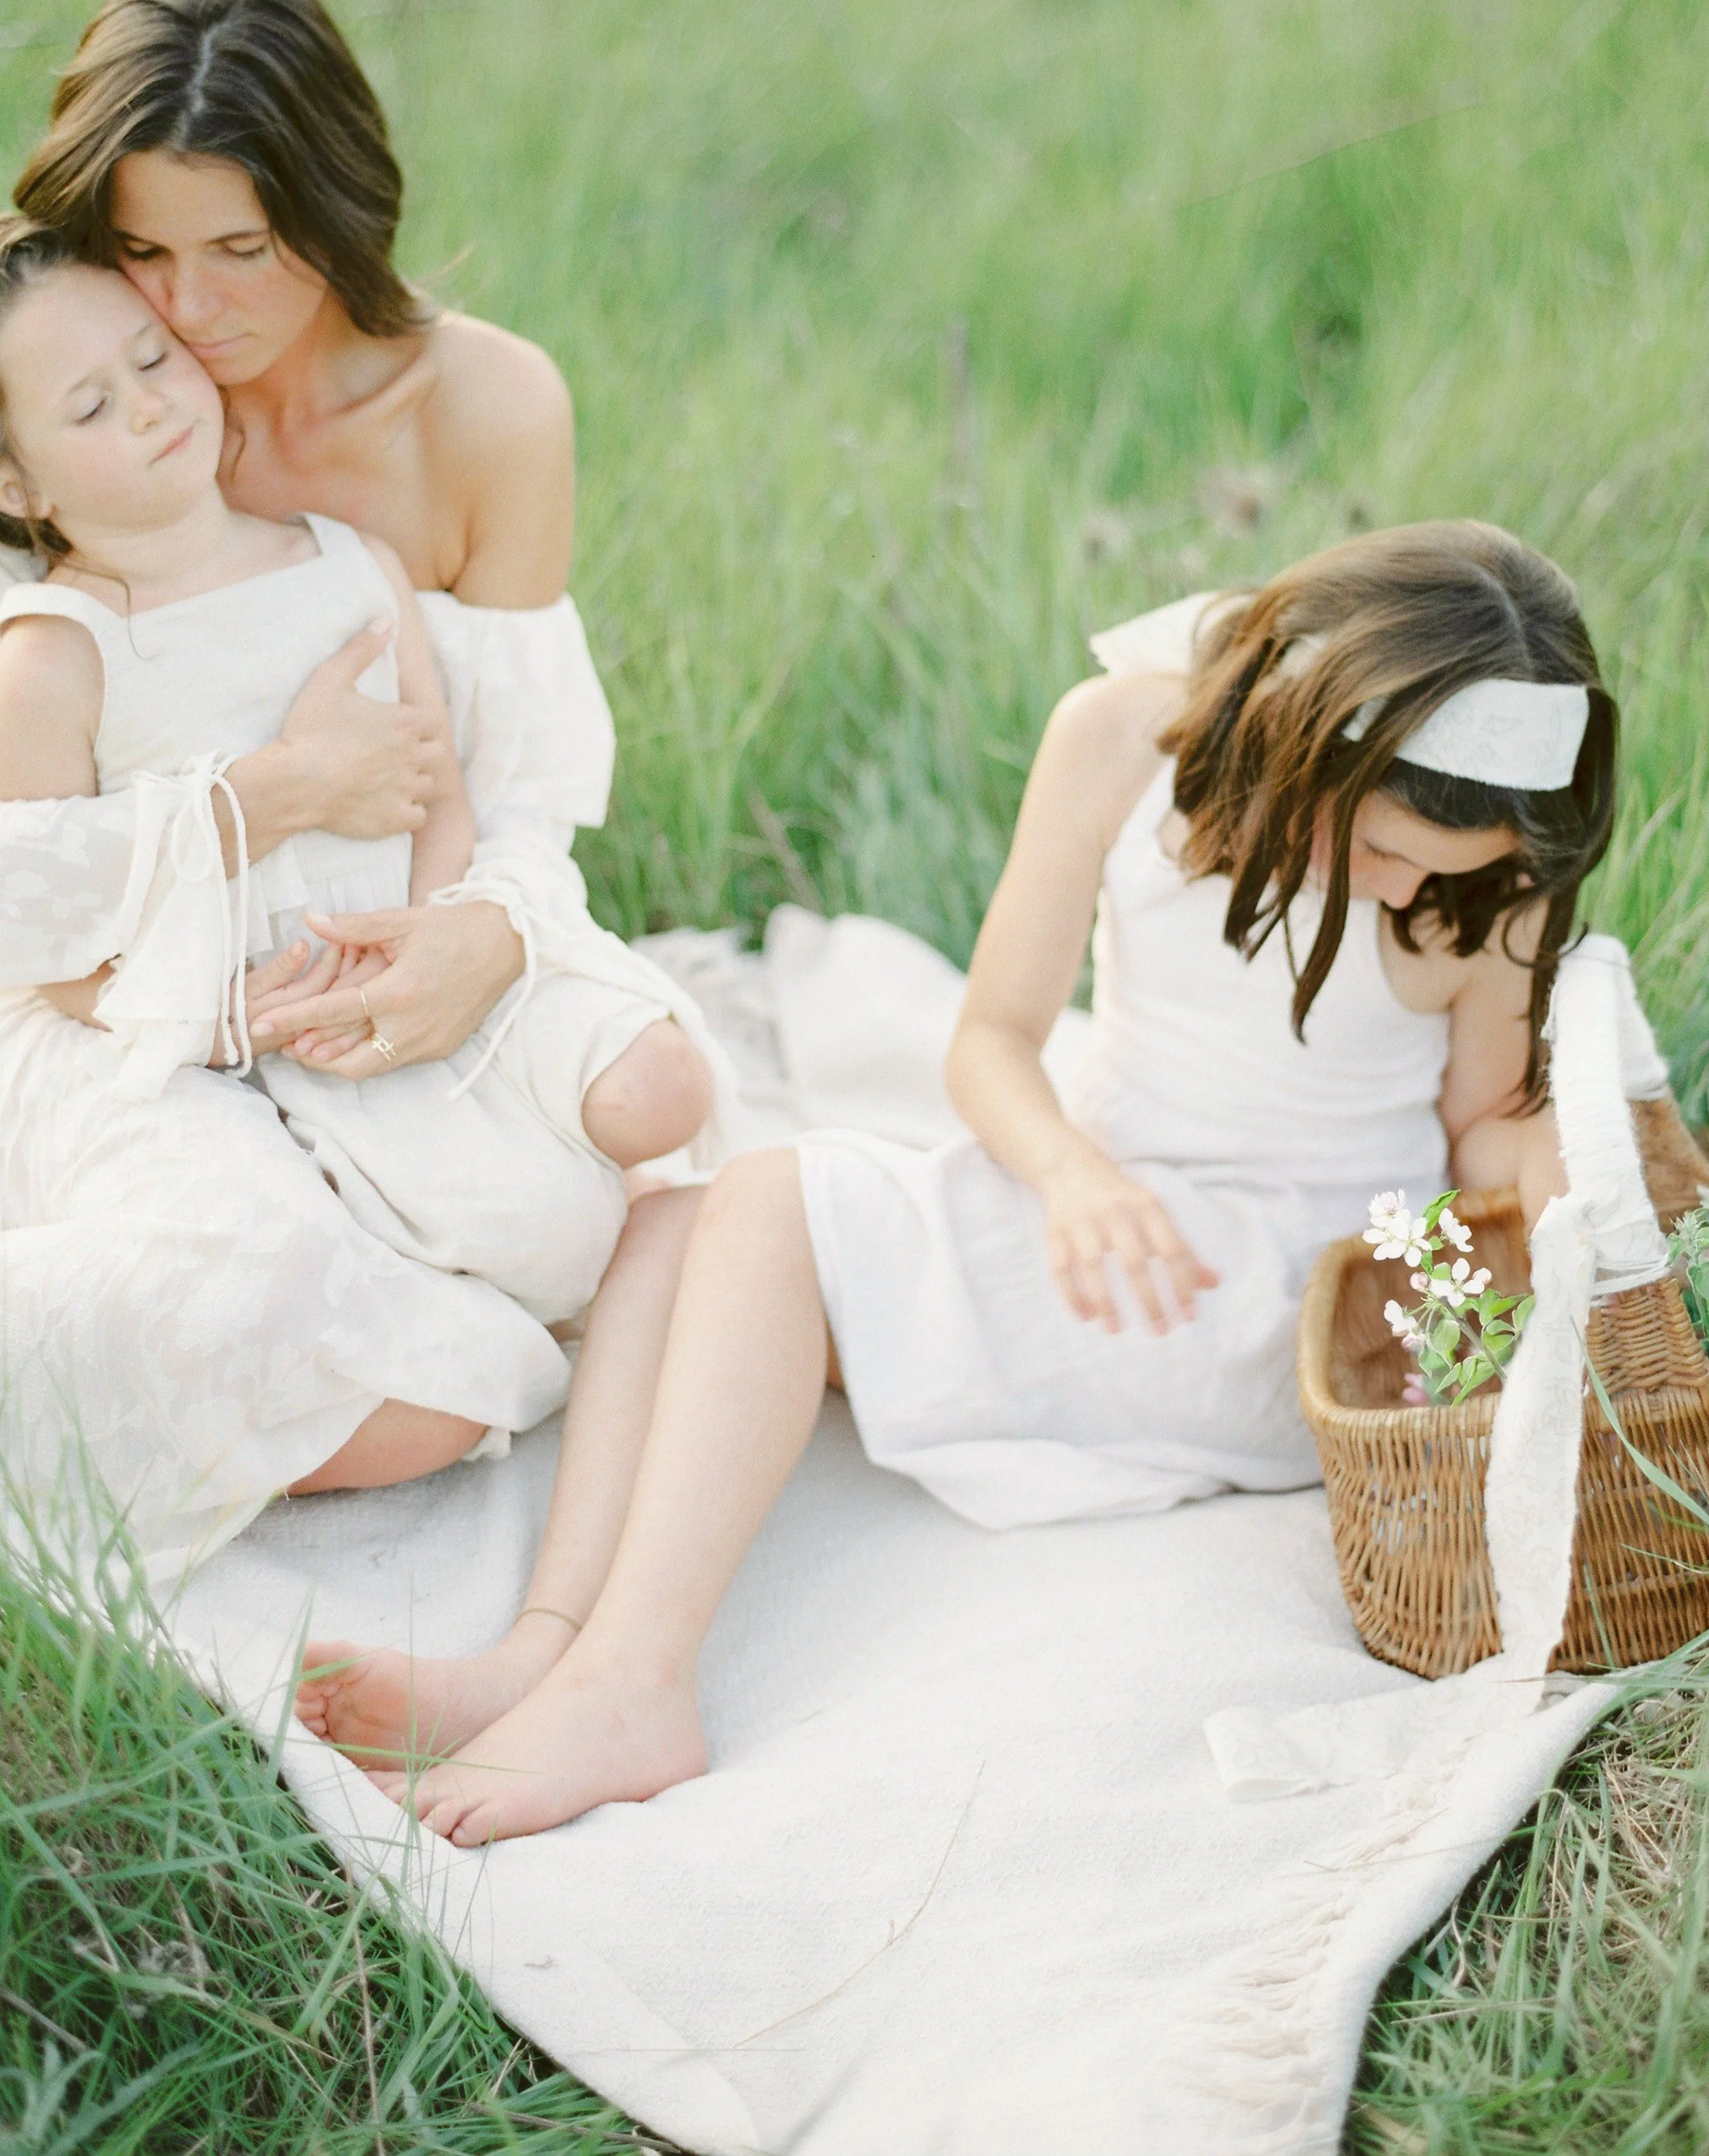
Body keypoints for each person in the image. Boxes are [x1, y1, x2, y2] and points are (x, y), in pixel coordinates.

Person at [297, 519, 1615, 1845]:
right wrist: (1070, 1173)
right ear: (1299, 730)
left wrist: (1571, 1186)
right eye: (1382, 848)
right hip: (1108, 1212)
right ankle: (551, 1646)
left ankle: (640, 1682)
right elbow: (991, 1044)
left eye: (1434, 878)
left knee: (766, 1204)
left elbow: (1483, 1127)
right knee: (674, 1229)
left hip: (1266, 1297)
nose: (1400, 888)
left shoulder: (1481, 891)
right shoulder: (1120, 739)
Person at [0, 0, 702, 1576]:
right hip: (82, 998)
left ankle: (291, 1319)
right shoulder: (38, 408)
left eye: (241, 252)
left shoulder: (482, 409)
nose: (187, 323)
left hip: (368, 938)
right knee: (278, 1292)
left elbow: (524, 785)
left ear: (334, 208)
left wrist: (486, 929)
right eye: (141, 254)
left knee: (608, 1167)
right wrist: (266, 801)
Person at [0, 221, 719, 1327]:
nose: (150, 403)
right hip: (278, 1026)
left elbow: (441, 783)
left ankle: (573, 1198)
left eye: (153, 358)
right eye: (92, 407)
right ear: (13, 487)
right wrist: (220, 1023)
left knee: (663, 1087)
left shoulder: (345, 560)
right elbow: (59, 941)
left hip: (420, 951)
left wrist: (436, 929)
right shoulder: (53, 663)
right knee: (533, 1236)